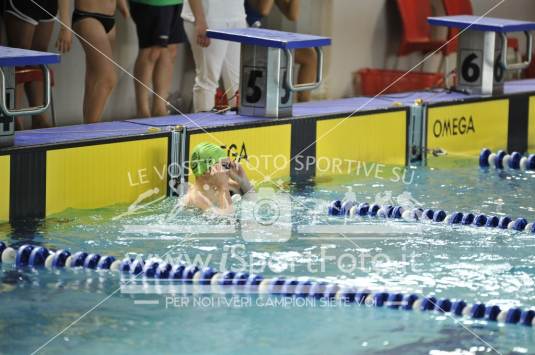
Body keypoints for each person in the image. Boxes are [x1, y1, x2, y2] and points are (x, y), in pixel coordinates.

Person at [3, 0, 72, 129]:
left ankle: (39, 116)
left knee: (39, 56)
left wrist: (65, 25)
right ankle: (14, 118)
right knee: (19, 56)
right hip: (23, 5)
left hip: (48, 5)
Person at [181, 0, 247, 113]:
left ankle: (238, 127)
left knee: (236, 82)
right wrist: (200, 19)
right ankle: (203, 127)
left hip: (236, 15)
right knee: (207, 79)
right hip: (208, 17)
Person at [246, 0, 316, 102]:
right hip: (243, 36)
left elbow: (293, 15)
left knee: (309, 56)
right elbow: (263, 9)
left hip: (256, 37)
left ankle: (304, 108)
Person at [72, 0, 129, 123]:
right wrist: (64, 27)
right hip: (87, 16)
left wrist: (122, 4)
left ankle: (88, 128)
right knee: (108, 79)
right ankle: (92, 132)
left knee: (93, 80)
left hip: (110, 17)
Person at [129, 0, 185, 118]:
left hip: (176, 2)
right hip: (152, 3)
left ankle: (160, 108)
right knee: (151, 51)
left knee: (171, 50)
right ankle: (142, 111)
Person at [184, 142, 254, 214]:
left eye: (229, 165)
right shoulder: (196, 199)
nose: (229, 170)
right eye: (225, 165)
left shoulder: (232, 187)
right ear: (206, 171)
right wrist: (223, 187)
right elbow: (229, 221)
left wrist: (244, 183)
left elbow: (256, 207)